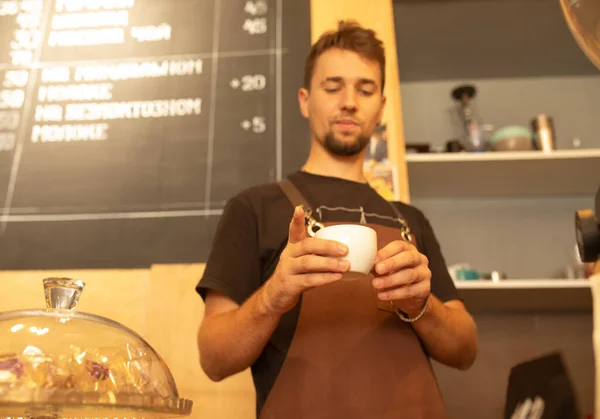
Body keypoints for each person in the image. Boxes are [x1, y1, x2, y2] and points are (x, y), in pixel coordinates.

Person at [195, 20, 478, 419]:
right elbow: (213, 357)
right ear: (305, 100)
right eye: (333, 87)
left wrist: (421, 305)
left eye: (365, 89)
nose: (349, 102)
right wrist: (273, 296)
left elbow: (465, 350)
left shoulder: (411, 220)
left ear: (381, 106)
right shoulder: (253, 207)